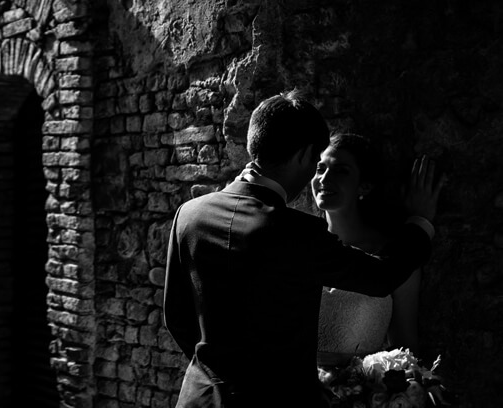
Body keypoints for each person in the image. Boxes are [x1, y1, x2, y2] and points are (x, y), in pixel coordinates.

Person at [163, 91, 443, 407]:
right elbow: (380, 278)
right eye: (316, 162)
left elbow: (177, 317)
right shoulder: (295, 230)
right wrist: (420, 223)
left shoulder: (189, 213)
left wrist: (218, 372)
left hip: (199, 398)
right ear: (304, 155)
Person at [312, 133, 430, 366]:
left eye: (341, 171)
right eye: (320, 168)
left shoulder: (394, 258)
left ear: (364, 185)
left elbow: (405, 348)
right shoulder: (300, 245)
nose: (324, 179)